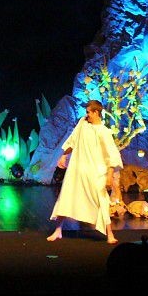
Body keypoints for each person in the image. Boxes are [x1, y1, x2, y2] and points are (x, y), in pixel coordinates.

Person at [46, 99, 123, 244]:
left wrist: (109, 176)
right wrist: (64, 155)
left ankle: (110, 234)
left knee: (101, 201)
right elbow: (73, 140)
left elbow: (111, 155)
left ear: (96, 112)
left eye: (89, 112)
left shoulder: (104, 132)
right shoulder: (83, 123)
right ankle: (58, 230)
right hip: (77, 170)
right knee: (66, 196)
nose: (87, 115)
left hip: (96, 172)